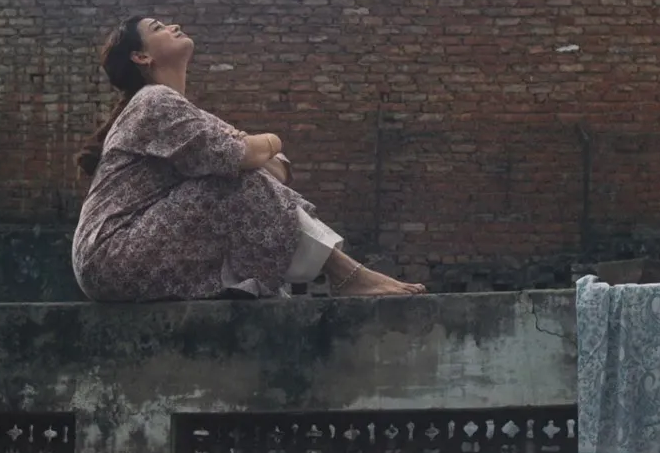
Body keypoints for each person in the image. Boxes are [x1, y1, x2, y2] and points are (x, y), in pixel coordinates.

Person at [71, 16, 427, 301]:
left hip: (124, 256)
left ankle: (340, 276)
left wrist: (255, 152)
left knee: (239, 179)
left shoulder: (183, 111)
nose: (174, 26)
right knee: (234, 180)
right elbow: (244, 157)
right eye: (158, 28)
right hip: (111, 254)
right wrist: (272, 139)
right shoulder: (153, 102)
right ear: (141, 57)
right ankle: (347, 275)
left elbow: (279, 170)